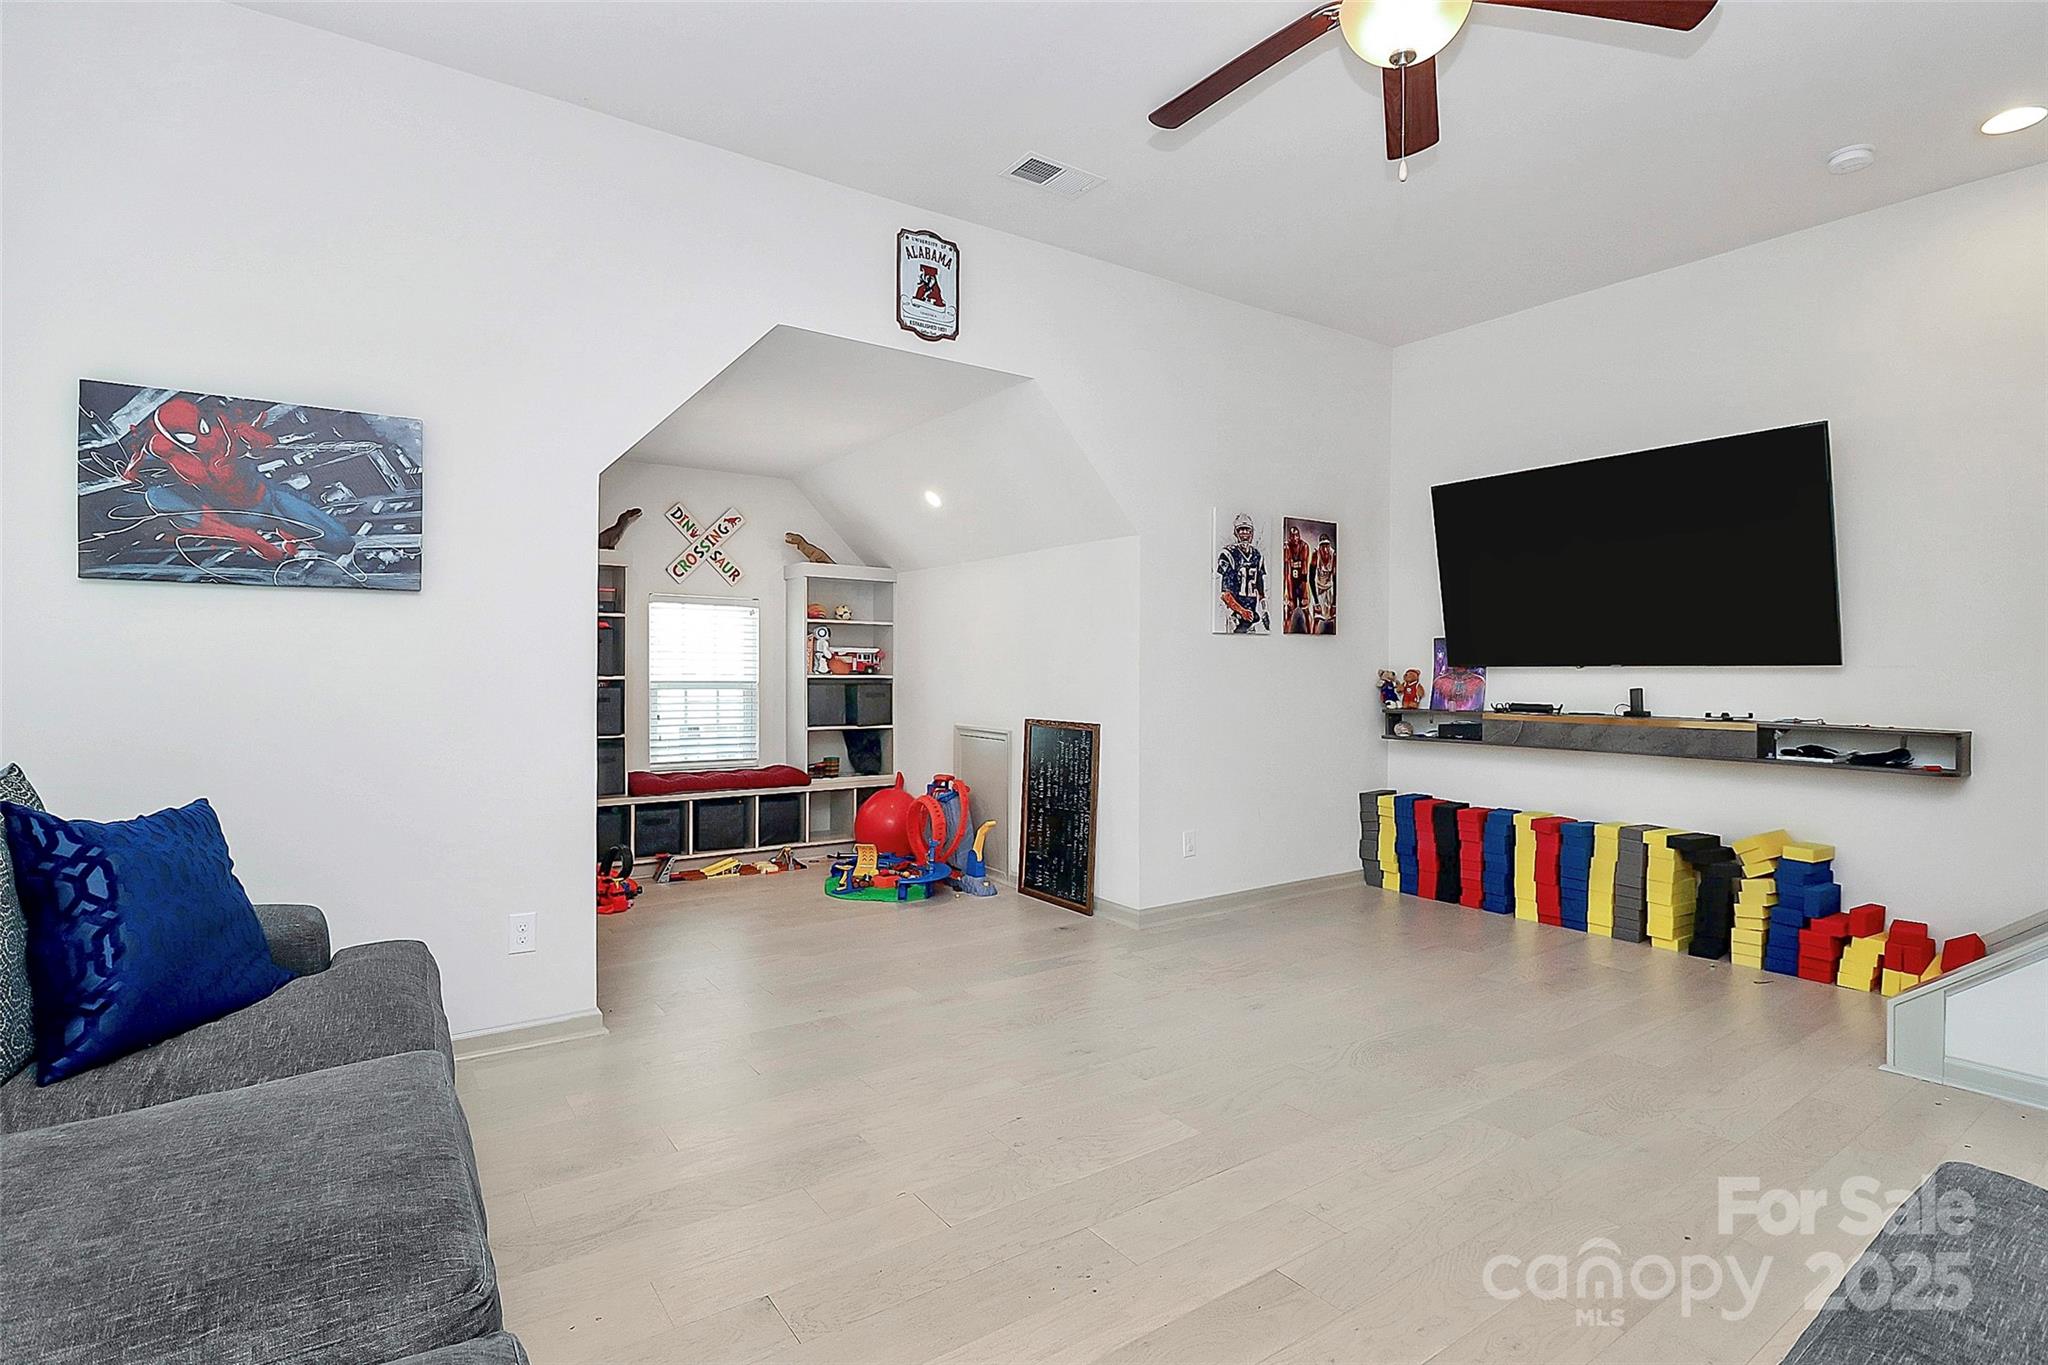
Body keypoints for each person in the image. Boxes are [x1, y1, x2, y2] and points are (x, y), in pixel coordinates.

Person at [118, 394, 353, 563]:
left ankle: (284, 531)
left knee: (341, 542)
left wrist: (257, 441)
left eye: (202, 427)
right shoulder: (161, 447)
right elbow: (137, 460)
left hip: (266, 499)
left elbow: (263, 445)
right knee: (156, 495)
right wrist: (130, 473)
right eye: (188, 436)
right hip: (228, 515)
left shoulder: (225, 427)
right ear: (173, 438)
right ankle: (246, 537)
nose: (203, 439)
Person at [1215, 513, 1268, 633]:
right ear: (1235, 533)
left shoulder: (1257, 555)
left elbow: (1260, 588)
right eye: (1241, 530)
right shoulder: (1229, 554)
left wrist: (1265, 611)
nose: (1244, 534)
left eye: (1247, 530)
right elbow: (1225, 594)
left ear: (1252, 532)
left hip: (1251, 616)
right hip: (1235, 615)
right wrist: (1241, 611)